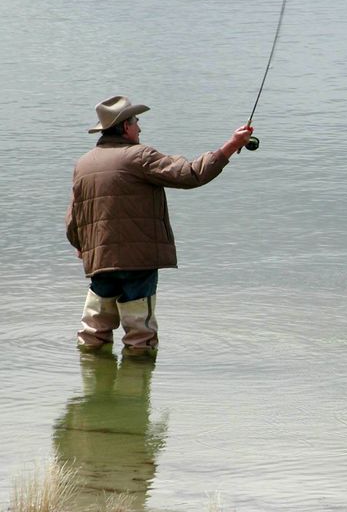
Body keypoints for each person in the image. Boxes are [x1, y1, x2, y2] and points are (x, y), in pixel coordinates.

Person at [66, 95, 252, 355]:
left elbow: (74, 215)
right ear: (125, 126)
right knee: (140, 337)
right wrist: (231, 145)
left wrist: (80, 244)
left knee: (93, 333)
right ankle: (135, 390)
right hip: (138, 262)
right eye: (136, 121)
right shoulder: (139, 156)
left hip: (100, 261)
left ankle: (94, 388)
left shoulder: (84, 164)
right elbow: (191, 174)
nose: (140, 128)